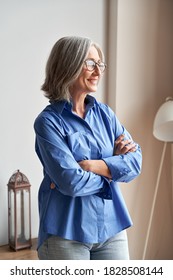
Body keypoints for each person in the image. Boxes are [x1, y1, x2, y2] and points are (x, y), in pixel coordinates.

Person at [34, 36, 142, 260]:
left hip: (111, 227)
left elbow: (135, 162)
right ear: (68, 64)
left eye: (100, 64)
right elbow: (71, 181)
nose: (98, 71)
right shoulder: (48, 123)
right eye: (90, 63)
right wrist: (113, 169)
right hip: (65, 233)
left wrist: (97, 166)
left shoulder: (105, 114)